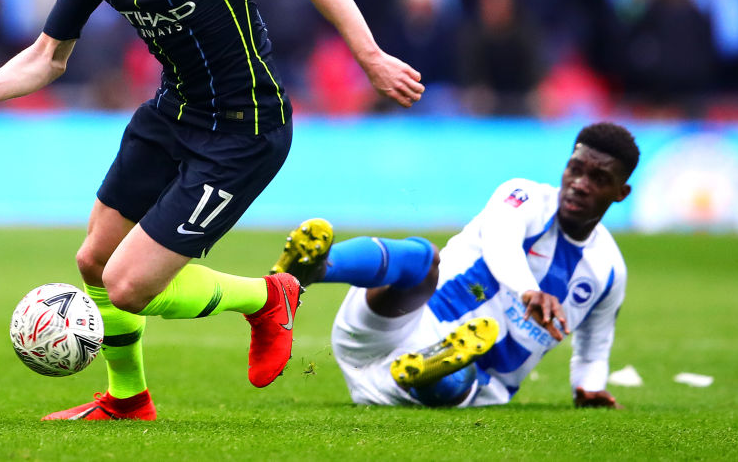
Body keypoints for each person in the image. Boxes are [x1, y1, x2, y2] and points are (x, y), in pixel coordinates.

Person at [0, 0, 424, 420]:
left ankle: (269, 297)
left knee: (125, 286)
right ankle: (127, 399)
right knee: (94, 260)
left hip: (244, 130)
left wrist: (369, 57)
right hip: (172, 113)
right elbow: (49, 56)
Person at [271, 122, 637, 408]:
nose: (579, 184)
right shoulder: (524, 197)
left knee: (464, 375)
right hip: (391, 326)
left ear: (621, 193)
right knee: (424, 258)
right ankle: (311, 269)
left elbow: (594, 345)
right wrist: (528, 290)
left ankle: (427, 369)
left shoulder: (607, 270)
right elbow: (500, 241)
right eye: (575, 169)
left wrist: (589, 388)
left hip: (441, 389)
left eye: (599, 179)